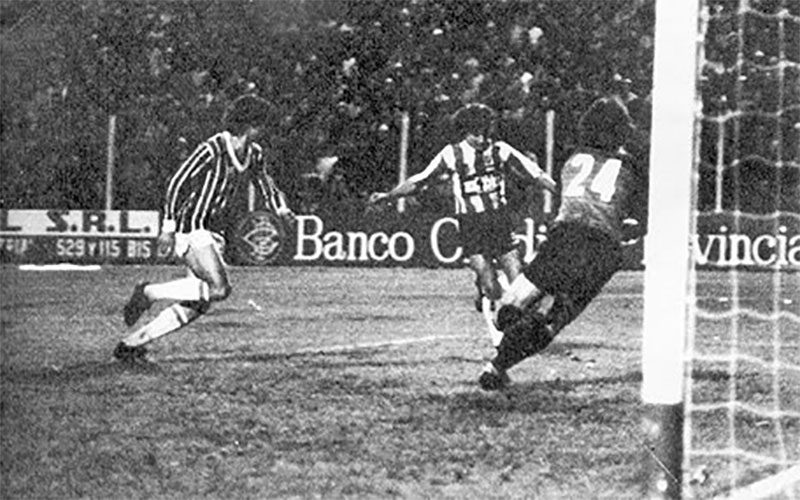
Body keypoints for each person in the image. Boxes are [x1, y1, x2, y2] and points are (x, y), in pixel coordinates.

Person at [478, 96, 649, 390]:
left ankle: (515, 310)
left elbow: (564, 200)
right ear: (620, 132)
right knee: (553, 319)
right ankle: (496, 367)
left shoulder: (571, 158)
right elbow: (640, 216)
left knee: (513, 302)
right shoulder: (633, 167)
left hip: (566, 235)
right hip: (602, 247)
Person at [113, 94, 294, 362]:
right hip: (192, 225)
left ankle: (130, 345)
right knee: (220, 288)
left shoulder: (254, 153)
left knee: (198, 304)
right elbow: (177, 182)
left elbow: (265, 183)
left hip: (213, 230)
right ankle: (149, 292)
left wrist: (281, 208)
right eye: (262, 124)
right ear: (250, 125)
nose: (266, 130)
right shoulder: (213, 149)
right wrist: (168, 227)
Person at [368, 103, 557, 346]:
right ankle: (487, 296)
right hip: (470, 224)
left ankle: (513, 335)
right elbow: (421, 180)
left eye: (485, 133)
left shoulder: (500, 149)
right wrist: (389, 195)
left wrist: (560, 190)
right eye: (475, 134)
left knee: (517, 279)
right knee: (491, 286)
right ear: (464, 132)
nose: (481, 139)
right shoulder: (452, 154)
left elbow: (534, 173)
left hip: (499, 220)